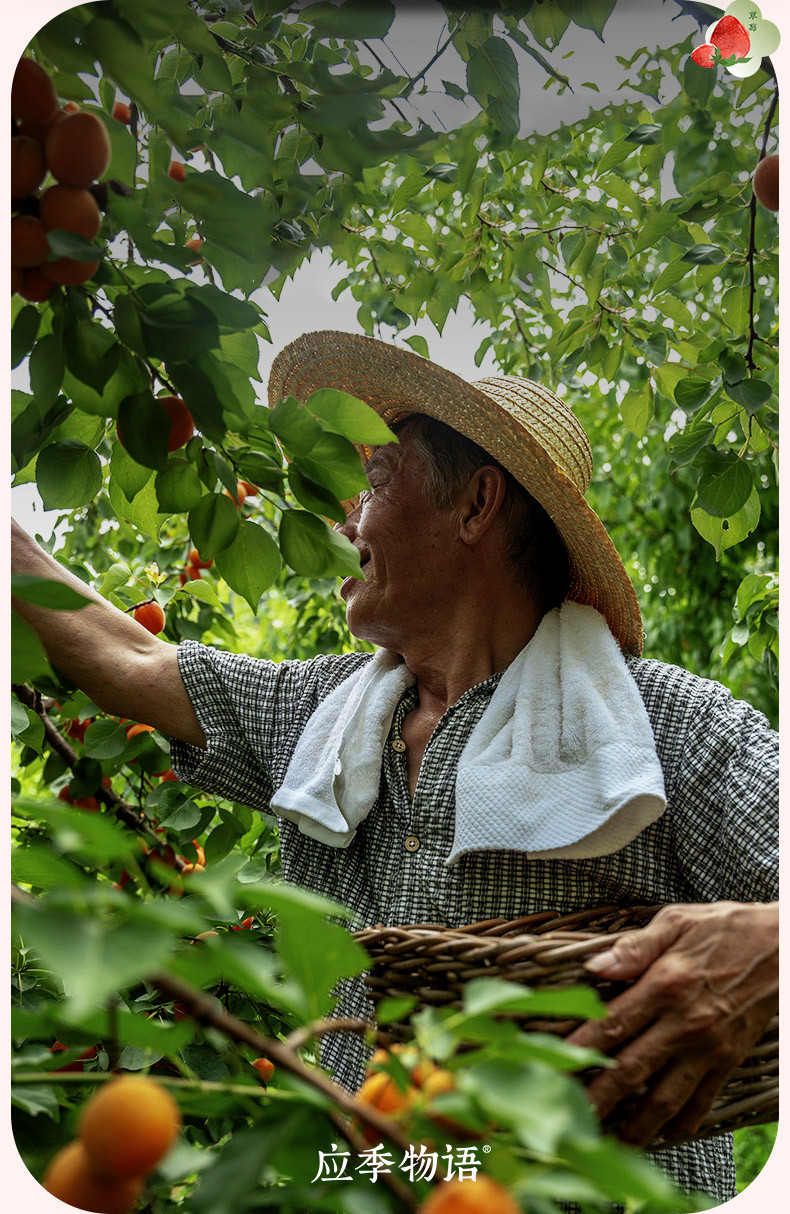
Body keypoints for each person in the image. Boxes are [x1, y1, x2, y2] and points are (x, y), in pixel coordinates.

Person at [11, 330, 778, 1207]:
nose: (346, 516)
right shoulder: (326, 715)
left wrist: (765, 947)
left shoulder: (663, 727)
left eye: (376, 480)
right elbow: (133, 661)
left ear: (477, 504)